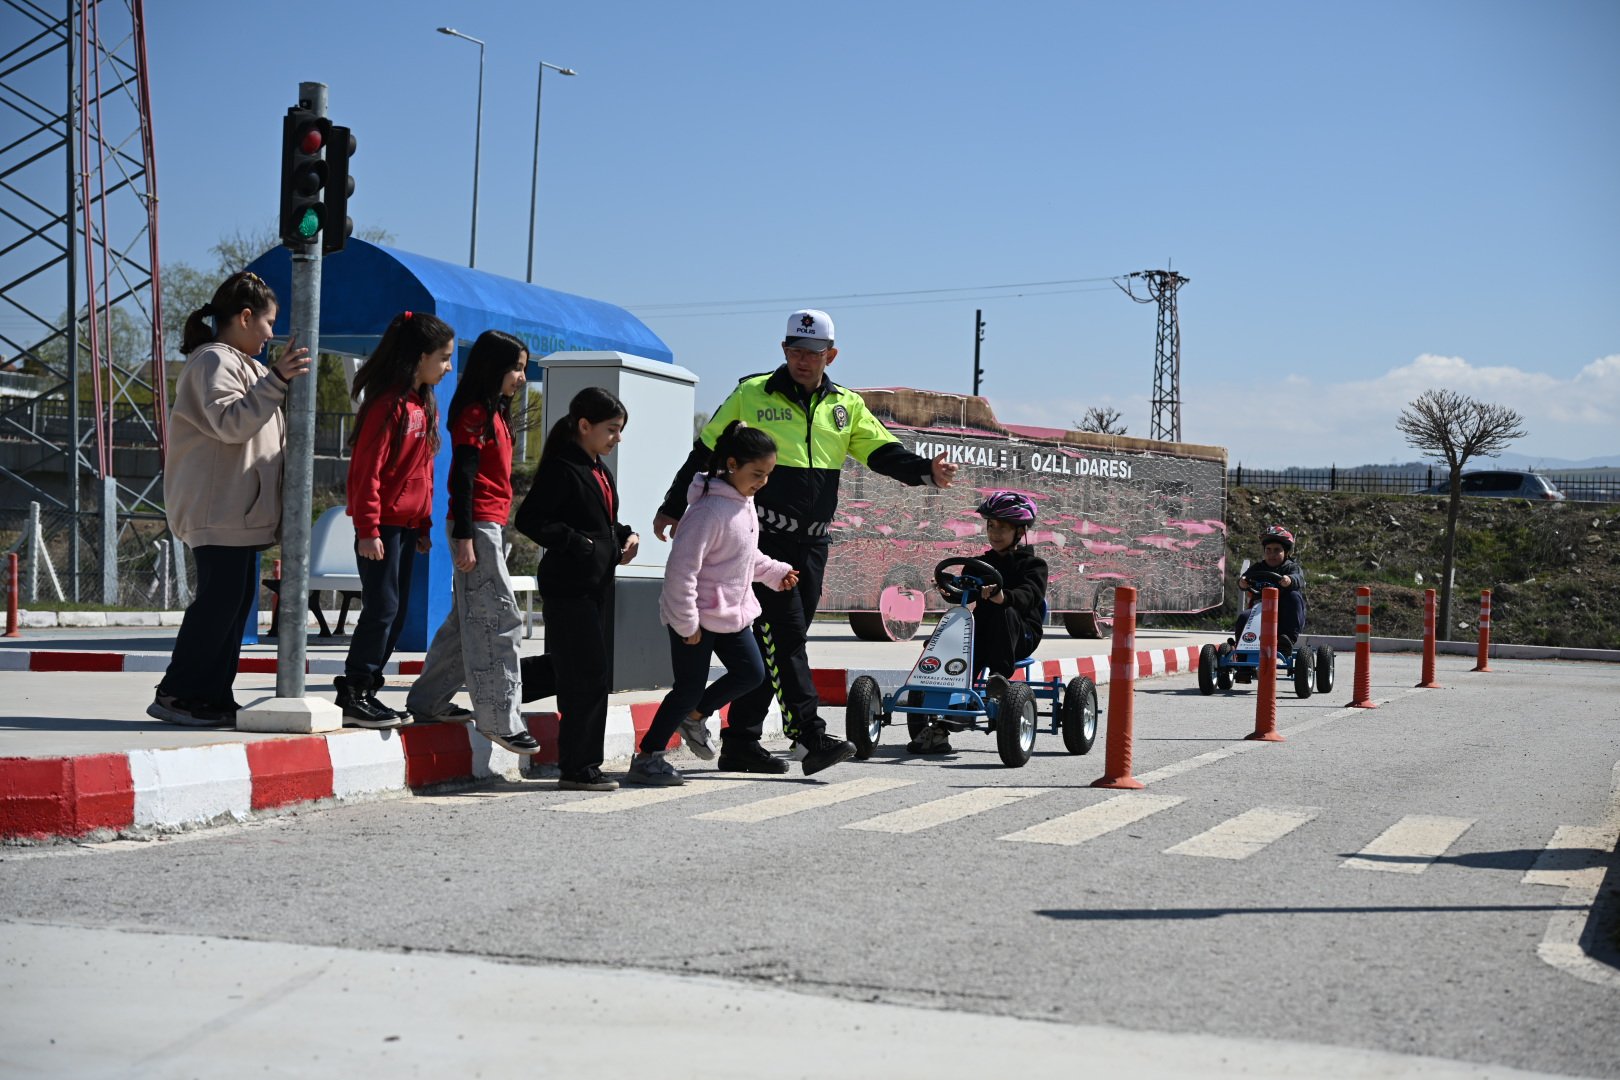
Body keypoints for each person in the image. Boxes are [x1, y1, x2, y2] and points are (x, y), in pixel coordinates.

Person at [653, 308, 958, 776]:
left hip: (813, 546)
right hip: (764, 540)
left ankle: (740, 742)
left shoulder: (846, 406)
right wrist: (674, 504)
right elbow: (706, 449)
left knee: (775, 644)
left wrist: (924, 471)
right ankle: (810, 735)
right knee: (786, 637)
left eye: (812, 353)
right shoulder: (751, 392)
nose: (803, 360)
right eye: (795, 350)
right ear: (783, 350)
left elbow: (882, 452)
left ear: (830, 355)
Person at [148, 271, 310, 726]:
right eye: (267, 323)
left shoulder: (250, 367)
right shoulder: (212, 362)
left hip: (240, 513)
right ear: (244, 317)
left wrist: (274, 379)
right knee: (218, 605)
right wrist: (277, 378)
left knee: (235, 607)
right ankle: (177, 693)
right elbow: (231, 424)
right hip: (217, 509)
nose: (270, 334)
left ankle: (213, 695)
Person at [626, 422, 799, 786]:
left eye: (768, 474)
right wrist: (686, 623)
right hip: (695, 619)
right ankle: (648, 757)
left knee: (752, 673)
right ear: (732, 464)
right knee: (687, 687)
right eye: (757, 473)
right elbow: (680, 571)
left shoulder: (744, 504)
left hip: (732, 613)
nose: (762, 482)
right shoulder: (708, 512)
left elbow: (743, 558)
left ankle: (695, 716)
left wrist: (775, 572)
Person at [404, 330, 542, 756]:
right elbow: (462, 478)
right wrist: (465, 537)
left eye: (522, 368)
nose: (521, 377)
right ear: (492, 367)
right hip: (477, 527)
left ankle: (427, 702)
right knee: (500, 621)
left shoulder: (495, 412)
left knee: (467, 621)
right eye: (515, 368)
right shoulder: (475, 412)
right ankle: (501, 718)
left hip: (489, 527)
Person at [514, 387, 640, 791]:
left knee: (580, 670)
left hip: (597, 584)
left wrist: (625, 534)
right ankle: (579, 768)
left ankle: (501, 682)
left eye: (620, 430)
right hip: (569, 586)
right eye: (611, 429)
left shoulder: (598, 468)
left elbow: (598, 520)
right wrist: (576, 543)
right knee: (587, 675)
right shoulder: (562, 467)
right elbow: (531, 519)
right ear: (584, 425)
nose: (617, 438)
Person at [335, 310, 455, 728]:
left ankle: (368, 690)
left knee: (397, 612)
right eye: (443, 357)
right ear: (419, 356)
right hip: (380, 529)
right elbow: (365, 472)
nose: (448, 366)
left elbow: (422, 473)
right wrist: (367, 529)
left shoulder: (423, 405)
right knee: (381, 608)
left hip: (405, 529)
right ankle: (354, 690)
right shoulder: (387, 406)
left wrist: (422, 525)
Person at [910, 491, 1049, 755]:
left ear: (1020, 531)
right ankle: (940, 722)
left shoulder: (1034, 566)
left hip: (1020, 636)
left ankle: (998, 678)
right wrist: (948, 589)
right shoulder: (979, 564)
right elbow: (965, 595)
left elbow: (1030, 596)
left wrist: (1002, 596)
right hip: (982, 636)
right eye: (991, 526)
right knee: (953, 628)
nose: (995, 533)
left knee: (1003, 612)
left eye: (1003, 527)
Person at [1227, 525, 1307, 654]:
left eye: (1277, 550)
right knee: (1243, 617)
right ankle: (1243, 655)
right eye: (1268, 550)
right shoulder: (1258, 568)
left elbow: (1299, 579)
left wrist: (1290, 580)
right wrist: (1242, 583)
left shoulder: (1291, 568)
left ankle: (1286, 642)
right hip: (1259, 611)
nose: (1272, 554)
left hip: (1284, 615)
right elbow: (1244, 579)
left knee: (1294, 596)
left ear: (1286, 553)